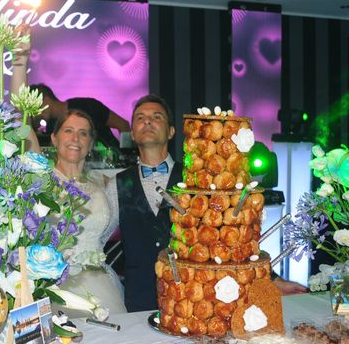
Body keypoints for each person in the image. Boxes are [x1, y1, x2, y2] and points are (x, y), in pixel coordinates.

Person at [106, 94, 307, 313]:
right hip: (138, 301)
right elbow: (95, 239)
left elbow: (232, 239)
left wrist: (273, 279)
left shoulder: (199, 179)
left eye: (157, 117)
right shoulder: (116, 184)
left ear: (172, 131)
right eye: (140, 118)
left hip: (193, 303)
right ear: (132, 133)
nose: (148, 122)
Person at [50, 108, 126, 316]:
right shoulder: (42, 184)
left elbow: (106, 233)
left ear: (90, 144)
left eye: (83, 133)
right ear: (54, 138)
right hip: (56, 284)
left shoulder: (101, 183)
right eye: (68, 131)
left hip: (100, 282)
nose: (75, 138)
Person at [31, 83, 130, 152]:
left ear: (46, 99)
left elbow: (123, 125)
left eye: (35, 106)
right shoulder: (51, 128)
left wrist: (127, 156)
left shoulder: (87, 106)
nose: (36, 112)